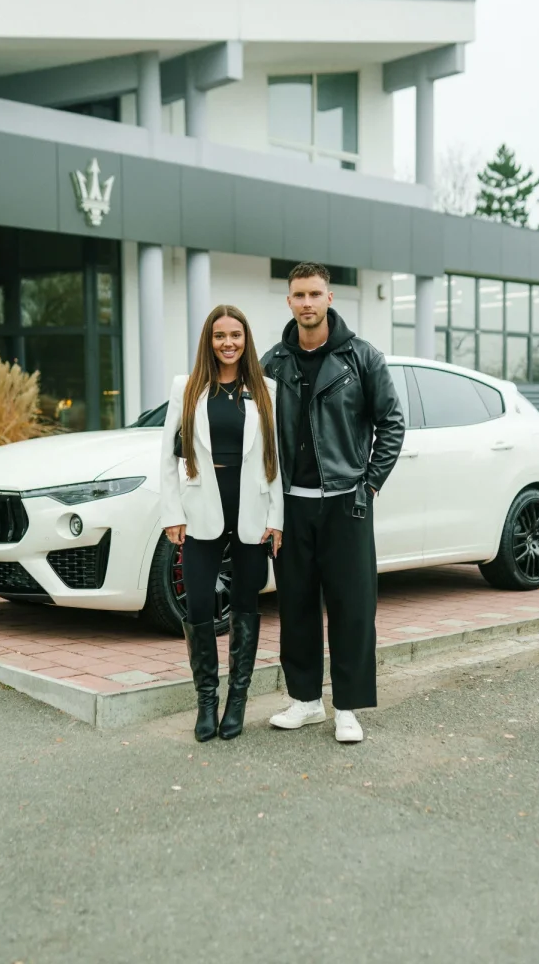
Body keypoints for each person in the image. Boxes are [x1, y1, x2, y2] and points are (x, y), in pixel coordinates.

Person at [261, 262, 405, 743]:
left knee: (353, 609)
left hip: (347, 502)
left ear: (329, 298)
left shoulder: (361, 357)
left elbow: (392, 423)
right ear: (289, 301)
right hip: (290, 506)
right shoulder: (273, 363)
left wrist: (370, 484)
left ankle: (348, 707)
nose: (307, 303)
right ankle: (305, 701)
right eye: (299, 295)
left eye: (315, 294)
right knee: (296, 607)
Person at [161, 305, 283, 742]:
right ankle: (206, 702)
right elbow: (168, 458)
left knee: (246, 605)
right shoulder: (187, 388)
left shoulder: (265, 389)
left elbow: (275, 459)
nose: (227, 343)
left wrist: (276, 519)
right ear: (208, 342)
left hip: (251, 510)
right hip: (201, 510)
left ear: (245, 340)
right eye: (219, 336)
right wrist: (172, 513)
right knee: (198, 606)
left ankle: (237, 702)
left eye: (235, 335)